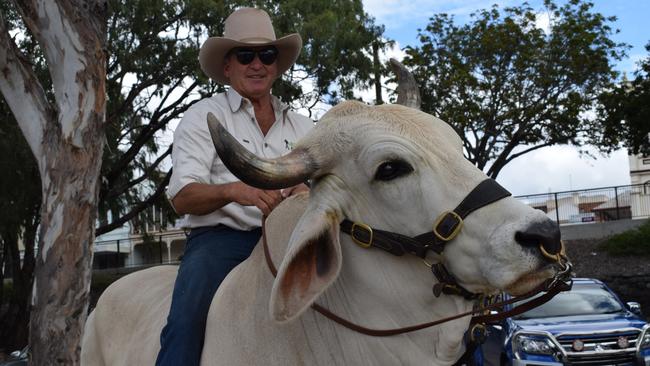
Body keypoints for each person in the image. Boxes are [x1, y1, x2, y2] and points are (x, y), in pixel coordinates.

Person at [157, 7, 313, 365]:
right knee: (186, 323)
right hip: (221, 243)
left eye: (267, 54)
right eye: (245, 55)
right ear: (227, 67)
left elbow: (328, 187)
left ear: (277, 64)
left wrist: (307, 192)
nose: (257, 64)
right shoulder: (204, 117)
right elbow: (182, 198)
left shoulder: (303, 126)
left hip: (292, 239)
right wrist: (234, 191)